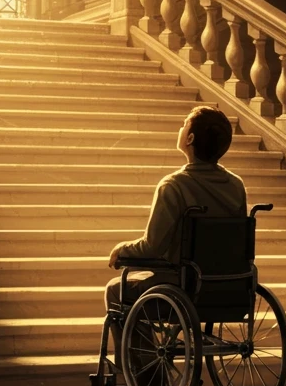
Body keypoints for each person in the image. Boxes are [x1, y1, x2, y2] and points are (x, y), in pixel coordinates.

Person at [104, 106, 246, 311]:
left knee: (114, 290)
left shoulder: (173, 185)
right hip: (227, 287)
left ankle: (142, 344)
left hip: (182, 288)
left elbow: (153, 247)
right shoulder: (236, 186)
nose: (180, 128)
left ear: (190, 139)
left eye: (184, 124)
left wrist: (122, 249)